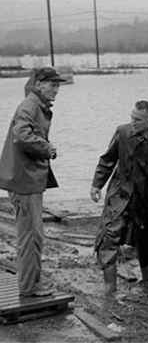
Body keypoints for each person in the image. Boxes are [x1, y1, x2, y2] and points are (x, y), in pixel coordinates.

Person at [90, 100, 148, 295]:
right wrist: (96, 184)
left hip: (145, 200)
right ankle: (110, 288)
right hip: (119, 195)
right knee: (108, 235)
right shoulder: (122, 132)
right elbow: (107, 159)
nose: (133, 122)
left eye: (139, 120)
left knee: (146, 242)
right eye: (132, 118)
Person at [0, 67, 66, 297]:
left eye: (58, 85)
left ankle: (31, 283)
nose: (57, 90)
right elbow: (22, 136)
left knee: (34, 234)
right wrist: (47, 148)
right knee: (30, 235)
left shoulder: (35, 105)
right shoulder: (30, 105)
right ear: (38, 84)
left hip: (28, 180)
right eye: (53, 85)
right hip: (24, 181)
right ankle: (29, 287)